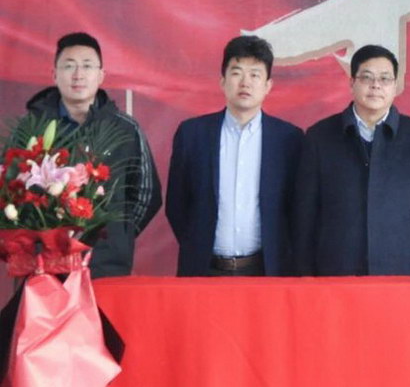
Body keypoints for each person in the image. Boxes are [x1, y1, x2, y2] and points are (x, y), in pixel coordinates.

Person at [291, 45, 410, 276]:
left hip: (400, 271)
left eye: (385, 79)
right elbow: (305, 213)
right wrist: (305, 273)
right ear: (352, 83)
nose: (376, 85)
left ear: (395, 86)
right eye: (367, 77)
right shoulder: (319, 137)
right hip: (335, 271)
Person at [25, 32, 162, 277]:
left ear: (100, 75)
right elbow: (13, 188)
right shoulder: (31, 127)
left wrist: (120, 233)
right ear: (55, 74)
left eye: (87, 66)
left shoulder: (125, 129)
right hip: (44, 263)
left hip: (106, 264)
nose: (78, 75)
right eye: (69, 66)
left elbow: (146, 194)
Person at [165, 36, 303, 276]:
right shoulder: (192, 134)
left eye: (255, 75)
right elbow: (177, 205)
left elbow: (297, 208)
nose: (245, 82)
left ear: (268, 85)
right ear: (223, 81)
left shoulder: (289, 139)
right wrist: (197, 245)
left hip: (266, 271)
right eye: (237, 73)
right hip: (204, 270)